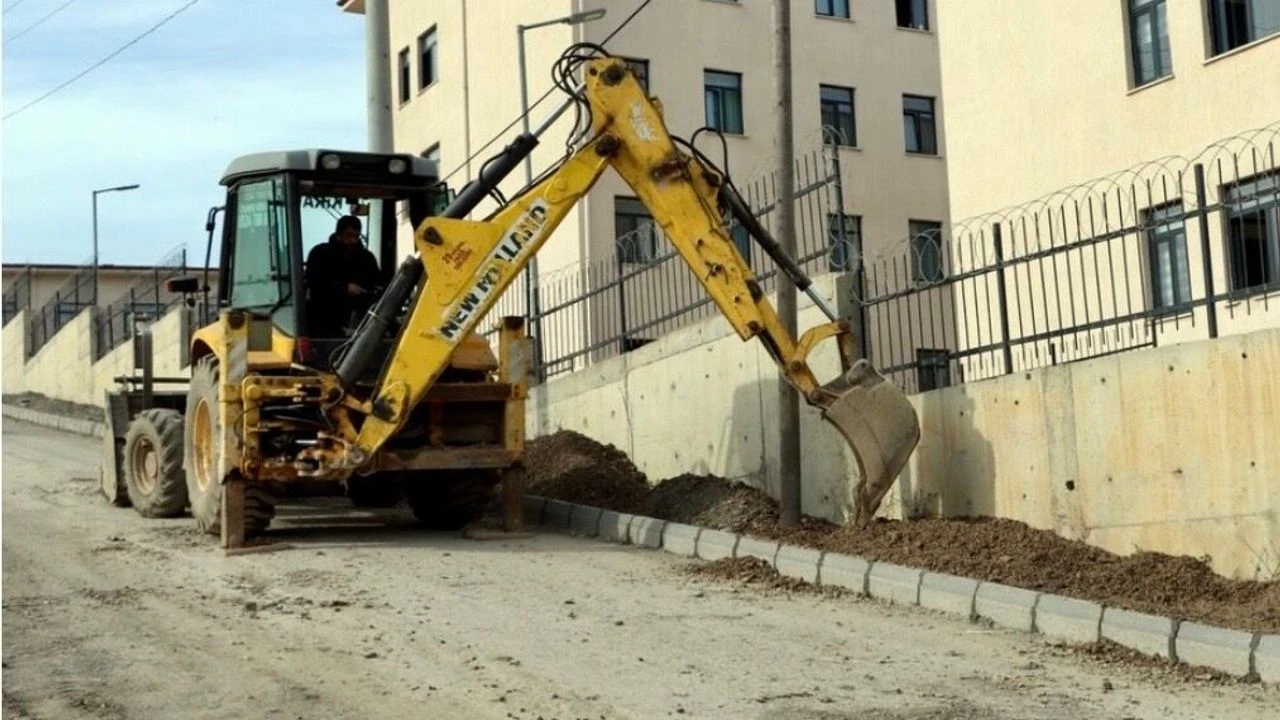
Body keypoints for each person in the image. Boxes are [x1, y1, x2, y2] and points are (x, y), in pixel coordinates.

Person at [305, 215, 381, 337]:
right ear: (338, 235)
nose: (353, 241)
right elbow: (315, 284)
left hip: (358, 319)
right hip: (324, 319)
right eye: (349, 236)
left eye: (356, 236)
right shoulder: (320, 254)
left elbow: (377, 282)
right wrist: (344, 288)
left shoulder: (366, 258)